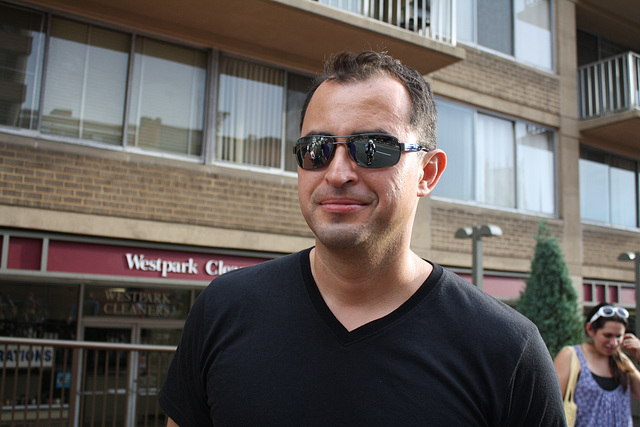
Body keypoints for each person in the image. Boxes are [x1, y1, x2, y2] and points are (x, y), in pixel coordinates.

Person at [158, 51, 565, 426]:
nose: (337, 173)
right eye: (317, 149)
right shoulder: (222, 309)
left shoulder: (507, 349)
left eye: (372, 149)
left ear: (427, 173)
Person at [554, 303, 640, 426]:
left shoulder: (621, 361)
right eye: (607, 335)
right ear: (590, 329)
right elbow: (551, 405)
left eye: (618, 336)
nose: (613, 343)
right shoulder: (571, 356)